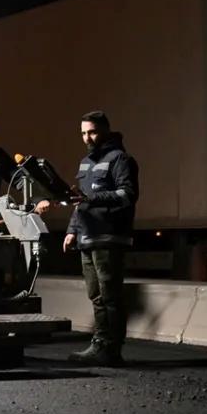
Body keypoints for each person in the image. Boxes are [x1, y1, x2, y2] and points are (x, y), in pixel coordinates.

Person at [60, 111, 139, 366]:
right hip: (87, 236)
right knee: (96, 294)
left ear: (105, 129)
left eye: (92, 131)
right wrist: (72, 230)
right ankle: (100, 343)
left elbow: (128, 194)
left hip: (109, 237)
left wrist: (91, 199)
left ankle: (112, 348)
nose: (87, 137)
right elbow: (78, 201)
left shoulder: (120, 159)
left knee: (110, 294)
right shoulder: (86, 162)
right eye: (83, 132)